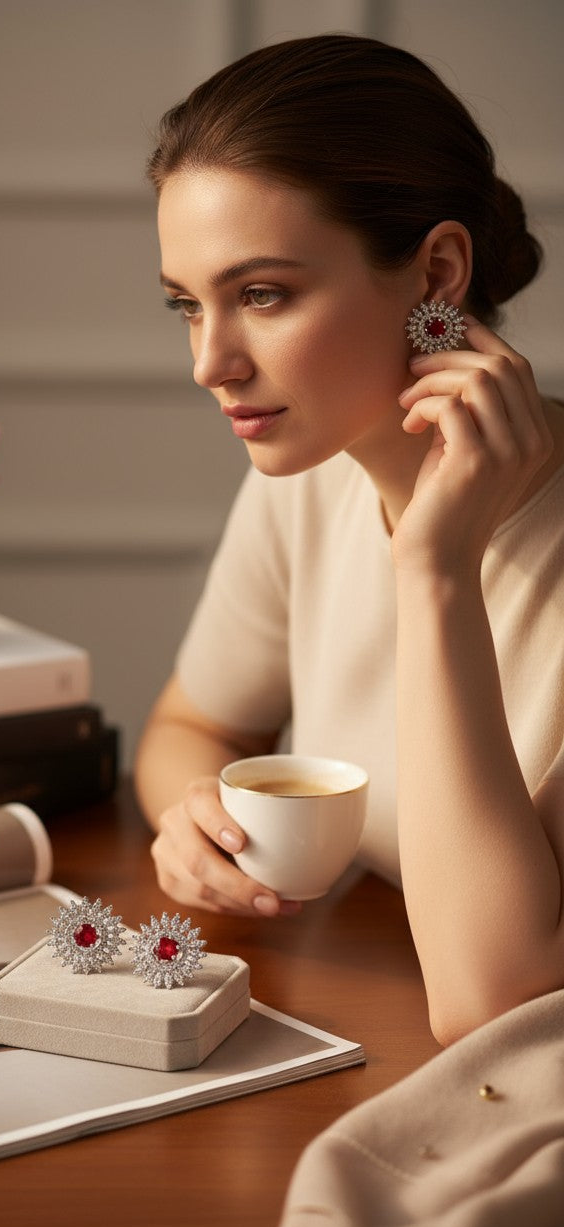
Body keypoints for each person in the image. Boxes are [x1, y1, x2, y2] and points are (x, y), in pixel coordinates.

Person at [133, 34, 564, 1047]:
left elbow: (491, 1001)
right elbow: (191, 729)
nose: (210, 362)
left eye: (262, 295)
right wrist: (188, 820)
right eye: (186, 306)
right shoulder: (313, 472)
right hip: (341, 1008)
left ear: (437, 274)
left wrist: (434, 568)